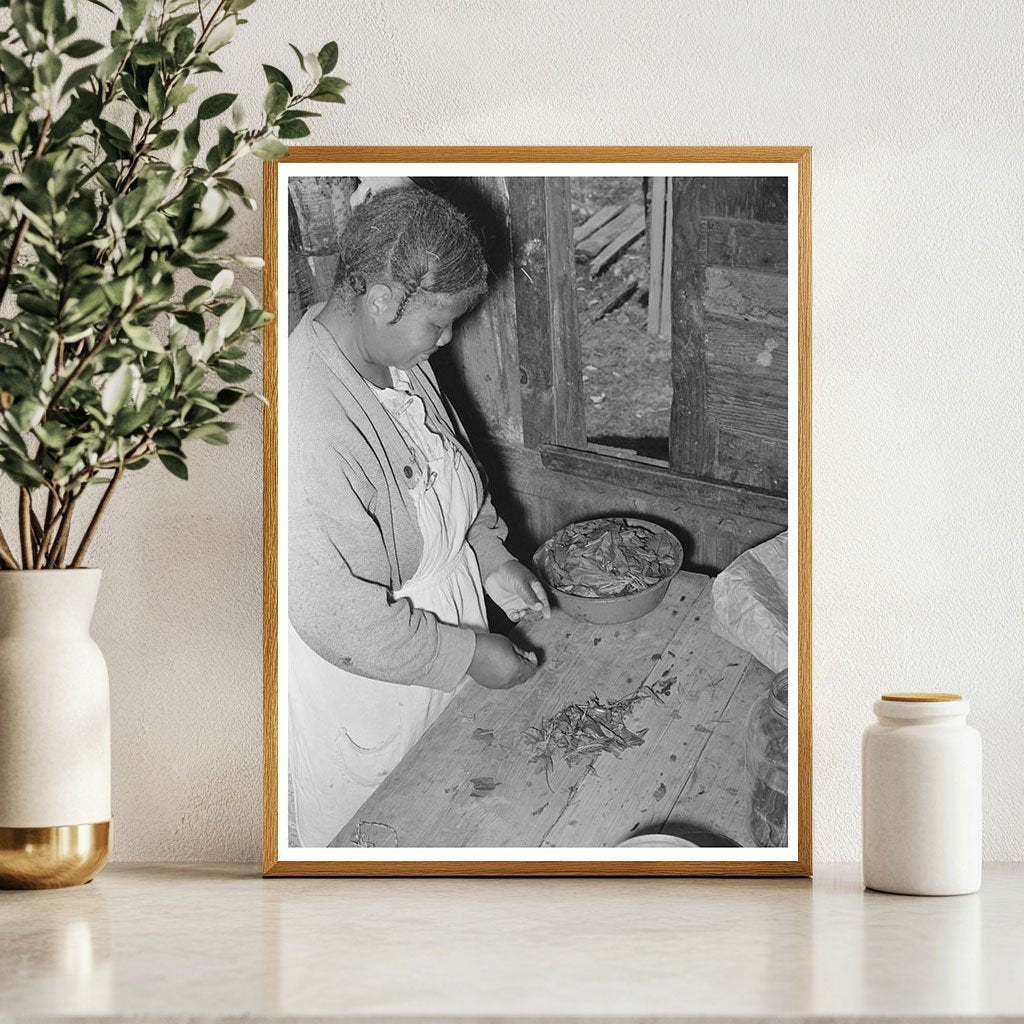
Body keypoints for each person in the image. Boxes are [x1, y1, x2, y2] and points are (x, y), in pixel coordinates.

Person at [287, 184, 549, 847]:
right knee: (388, 842)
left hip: (442, 648)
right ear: (379, 298)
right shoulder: (311, 420)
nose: (448, 338)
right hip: (372, 675)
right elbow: (335, 615)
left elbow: (450, 464)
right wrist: (463, 652)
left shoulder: (389, 354)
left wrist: (493, 557)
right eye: (439, 322)